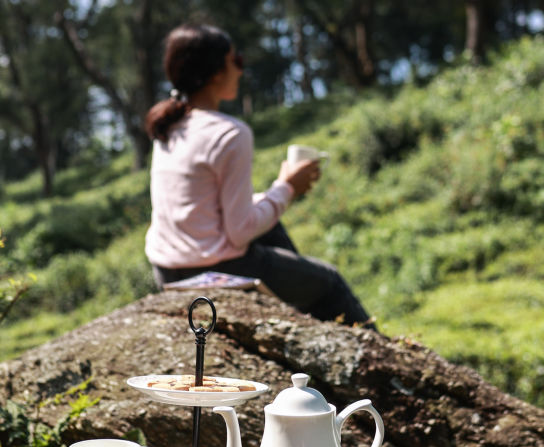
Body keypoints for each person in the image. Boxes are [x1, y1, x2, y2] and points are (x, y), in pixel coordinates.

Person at [144, 23, 373, 328]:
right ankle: (380, 364)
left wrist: (276, 193)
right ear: (215, 73)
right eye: (235, 62)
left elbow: (203, 209)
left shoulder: (168, 126)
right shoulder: (228, 133)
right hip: (215, 270)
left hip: (166, 269)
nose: (240, 70)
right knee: (330, 281)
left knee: (271, 226)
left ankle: (299, 317)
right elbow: (240, 231)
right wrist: (288, 187)